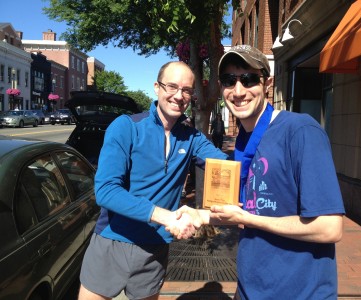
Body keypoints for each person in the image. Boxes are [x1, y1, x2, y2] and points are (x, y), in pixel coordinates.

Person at [177, 45, 345, 299]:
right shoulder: (244, 141)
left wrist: (248, 218)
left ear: (267, 83)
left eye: (248, 79)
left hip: (299, 293)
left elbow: (329, 228)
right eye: (229, 80)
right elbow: (248, 211)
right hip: (249, 288)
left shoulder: (301, 131)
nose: (238, 91)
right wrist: (199, 216)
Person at [78, 61, 228, 300]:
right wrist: (166, 216)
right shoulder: (127, 127)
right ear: (157, 87)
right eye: (172, 86)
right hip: (113, 240)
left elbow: (228, 168)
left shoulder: (191, 138)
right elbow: (105, 191)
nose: (179, 95)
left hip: (155, 246)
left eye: (186, 90)